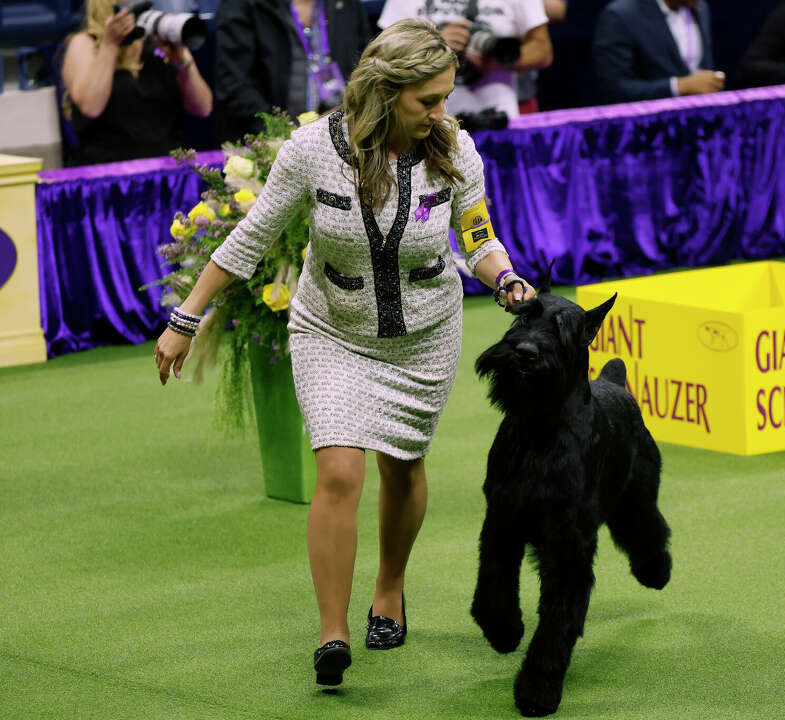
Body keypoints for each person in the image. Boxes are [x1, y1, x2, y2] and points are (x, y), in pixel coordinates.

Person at [154, 19, 536, 686]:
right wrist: (186, 316)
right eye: (428, 101)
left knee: (402, 465)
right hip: (330, 328)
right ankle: (332, 632)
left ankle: (388, 589)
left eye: (446, 98)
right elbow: (250, 237)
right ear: (386, 92)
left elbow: (478, 239)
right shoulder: (311, 150)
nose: (441, 113)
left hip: (425, 335)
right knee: (337, 471)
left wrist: (504, 278)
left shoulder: (457, 152)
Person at [60, 0, 213, 166]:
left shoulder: (161, 38)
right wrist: (110, 44)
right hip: (107, 173)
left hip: (167, 172)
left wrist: (181, 62)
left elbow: (203, 108)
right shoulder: (85, 44)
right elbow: (91, 107)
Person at [214, 0, 373, 143]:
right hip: (271, 142)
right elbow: (234, 85)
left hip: (343, 137)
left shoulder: (347, 4)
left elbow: (366, 67)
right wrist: (281, 133)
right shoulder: (243, 5)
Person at [377, 0, 553, 119]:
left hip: (495, 118)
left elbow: (543, 50)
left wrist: (494, 61)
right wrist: (432, 44)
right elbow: (382, 54)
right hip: (426, 120)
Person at [593, 0, 722, 105]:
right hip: (646, 129)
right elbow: (616, 88)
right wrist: (678, 86)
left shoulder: (701, 8)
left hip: (698, 125)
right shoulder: (621, 15)